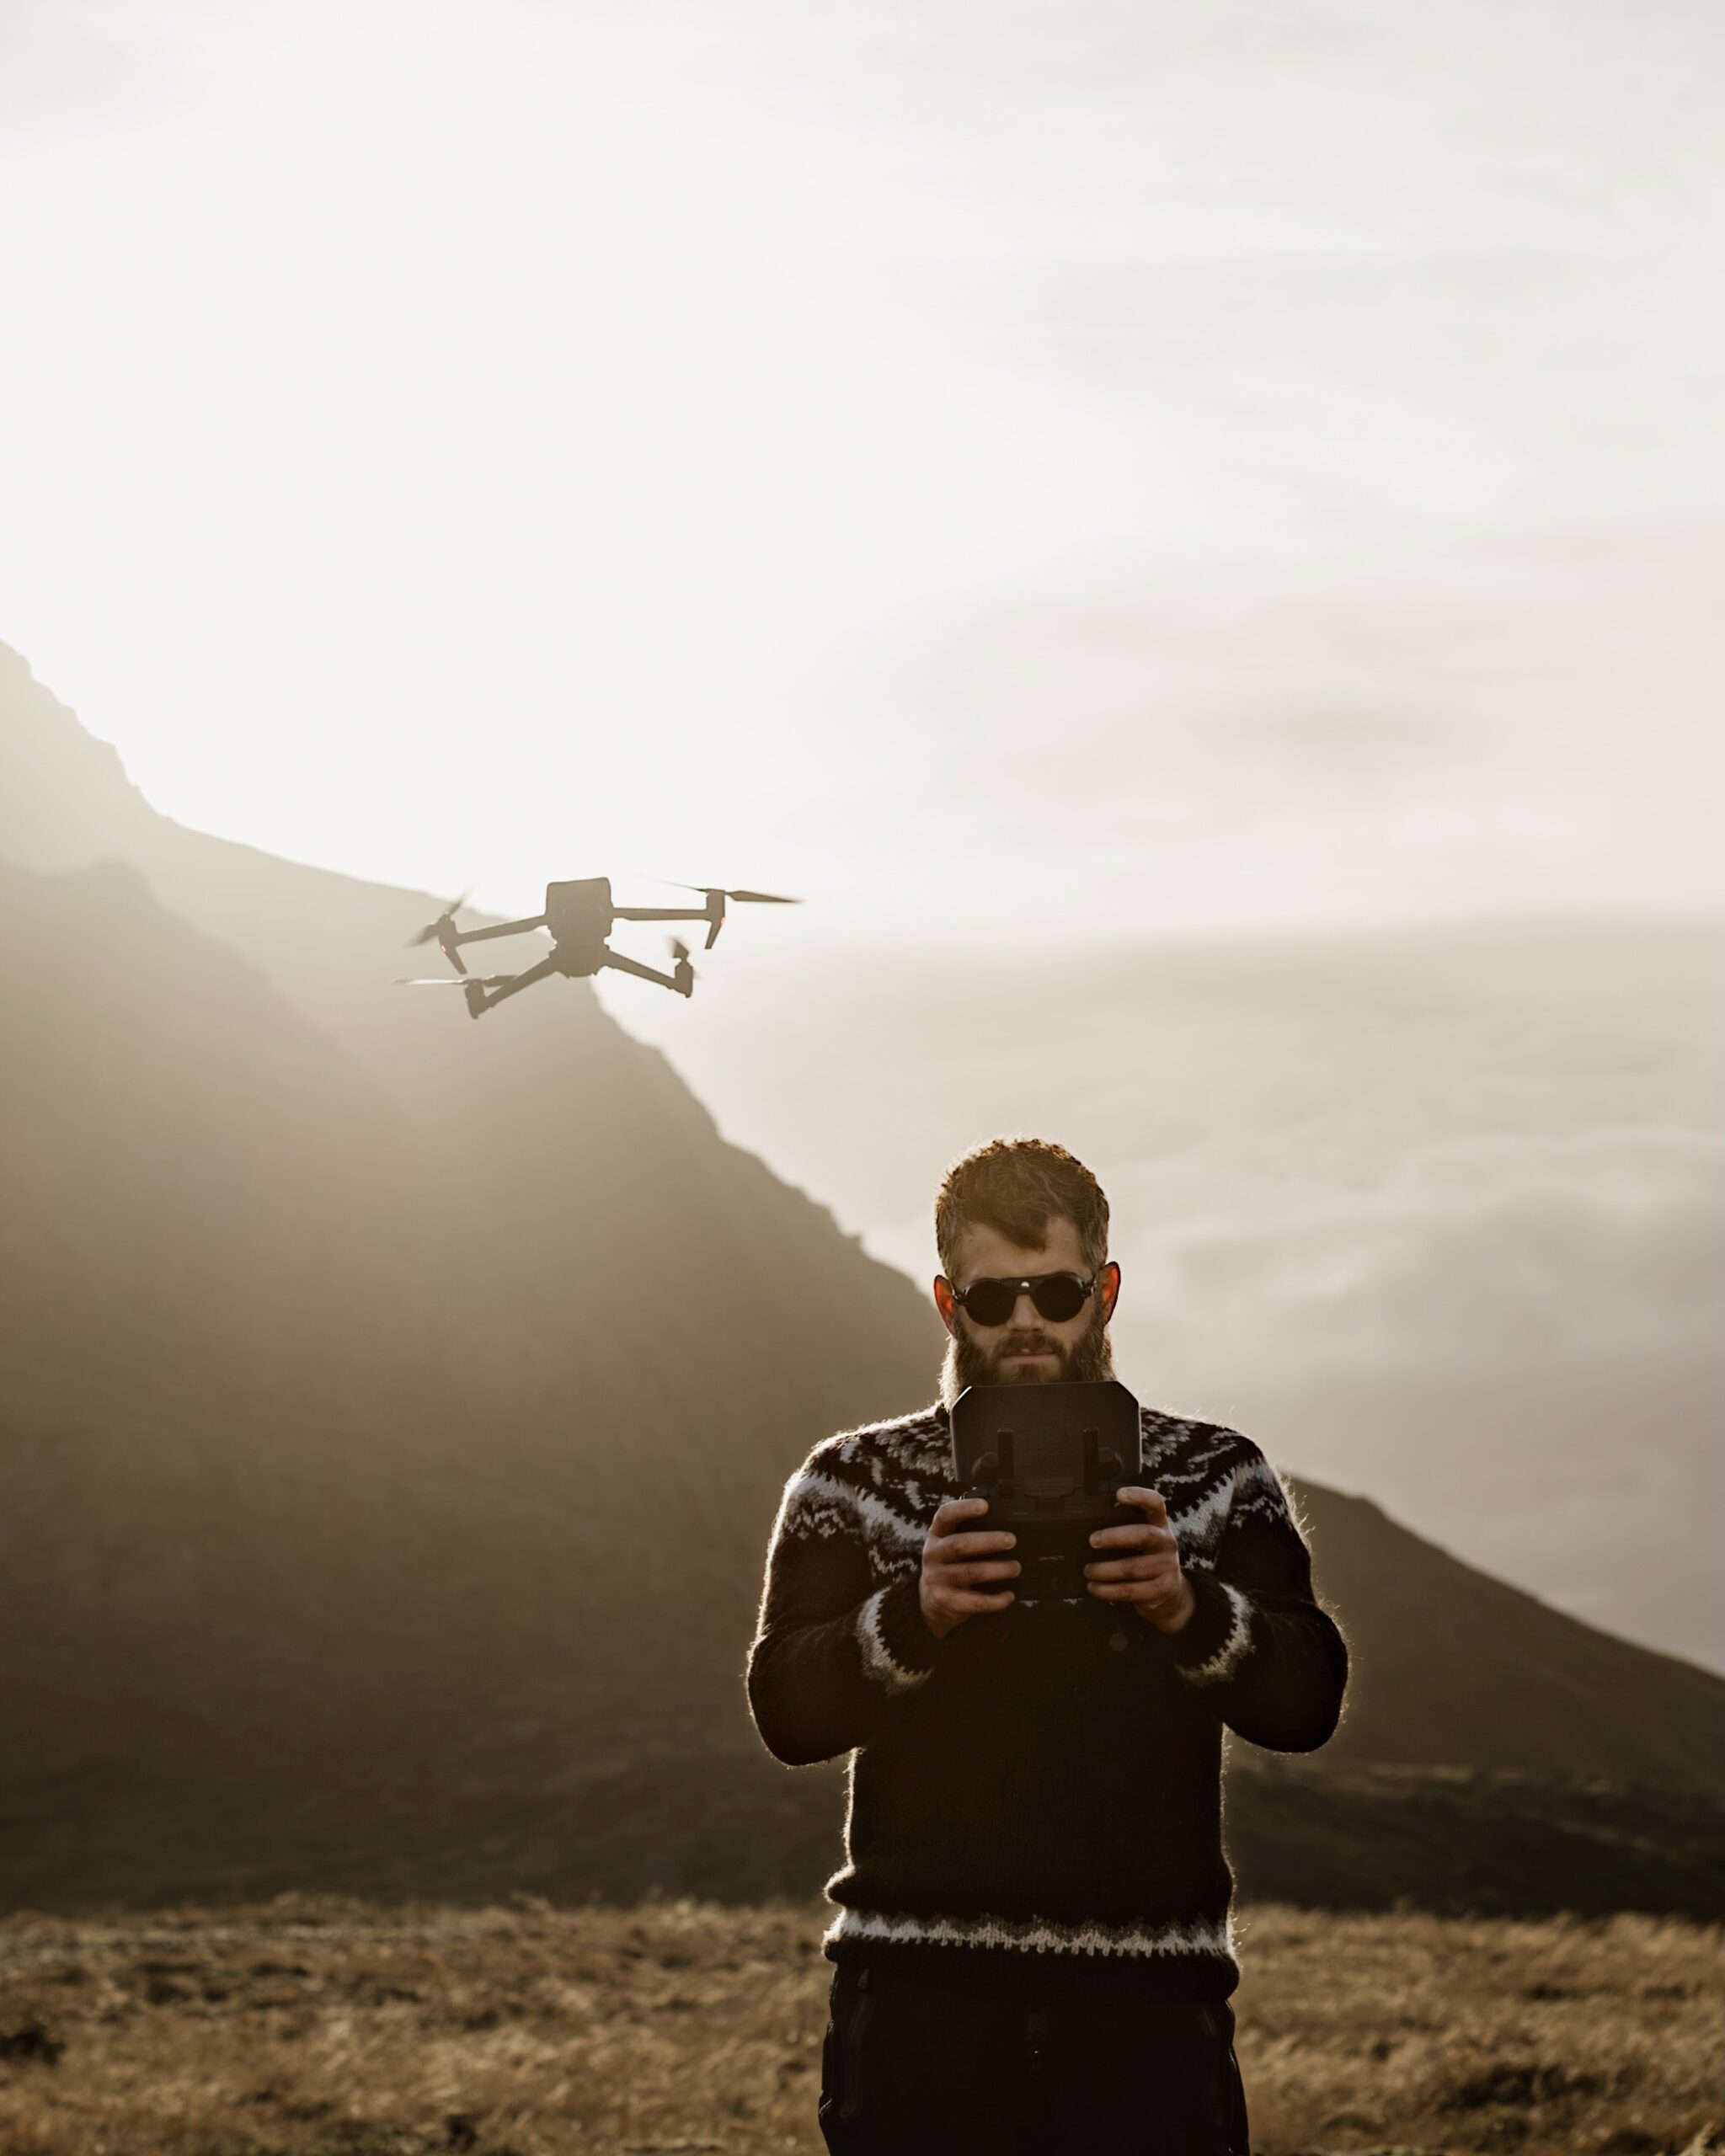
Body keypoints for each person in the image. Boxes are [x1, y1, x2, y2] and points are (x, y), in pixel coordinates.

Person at [747, 1137, 1348, 2155]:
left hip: (1147, 2018)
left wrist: (1188, 1609)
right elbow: (783, 1714)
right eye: (993, 1298)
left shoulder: (1218, 1476)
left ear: (1103, 1292)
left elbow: (1307, 1704)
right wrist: (912, 1615)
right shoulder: (847, 1482)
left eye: (1055, 1292)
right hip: (918, 2010)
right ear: (948, 1303)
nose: (1025, 1320)